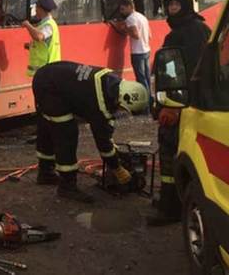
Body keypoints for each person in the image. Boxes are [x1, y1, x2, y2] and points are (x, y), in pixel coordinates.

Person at [33, 61, 149, 203]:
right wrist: (117, 168)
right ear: (123, 98)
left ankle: (45, 173)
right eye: (123, 109)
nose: (121, 112)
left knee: (47, 125)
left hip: (49, 74)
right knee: (66, 132)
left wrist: (114, 148)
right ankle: (67, 186)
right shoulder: (99, 101)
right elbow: (103, 143)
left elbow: (107, 124)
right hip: (49, 87)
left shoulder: (112, 82)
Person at [147, 0, 212, 226]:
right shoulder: (200, 29)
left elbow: (186, 72)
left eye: (177, 4)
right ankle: (175, 201)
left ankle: (170, 208)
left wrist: (171, 105)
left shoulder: (186, 33)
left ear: (188, 5)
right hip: (189, 103)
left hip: (179, 104)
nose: (173, 9)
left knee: (169, 155)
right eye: (170, 5)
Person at [114, 0, 152, 109]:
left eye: (123, 9)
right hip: (146, 50)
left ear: (130, 7)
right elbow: (150, 35)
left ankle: (145, 106)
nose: (122, 12)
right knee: (147, 78)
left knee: (141, 80)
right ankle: (150, 102)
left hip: (137, 53)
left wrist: (124, 28)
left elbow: (135, 35)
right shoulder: (142, 17)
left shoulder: (130, 19)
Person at [21, 0, 61, 77]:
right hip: (44, 72)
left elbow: (39, 37)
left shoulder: (49, 25)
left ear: (40, 9)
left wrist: (27, 25)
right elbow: (44, 45)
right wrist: (30, 46)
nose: (35, 9)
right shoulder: (43, 24)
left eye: (36, 7)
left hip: (48, 71)